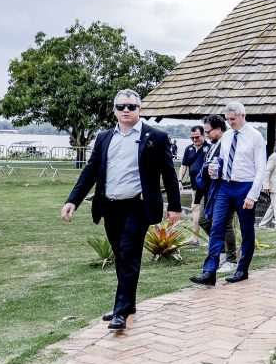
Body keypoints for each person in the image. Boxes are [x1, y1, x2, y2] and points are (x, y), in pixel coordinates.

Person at [62, 89, 181, 330]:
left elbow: (169, 174)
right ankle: (128, 303)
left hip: (138, 206)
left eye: (131, 106)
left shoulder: (155, 137)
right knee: (121, 255)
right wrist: (72, 200)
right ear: (114, 110)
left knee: (128, 253)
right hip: (110, 206)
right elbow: (90, 171)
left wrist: (175, 207)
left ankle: (121, 311)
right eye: (120, 106)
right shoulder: (104, 137)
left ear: (140, 109)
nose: (126, 110)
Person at [190, 101, 267, 286]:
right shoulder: (227, 137)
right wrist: (213, 169)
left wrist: (252, 195)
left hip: (245, 187)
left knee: (247, 230)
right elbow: (223, 159)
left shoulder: (256, 137)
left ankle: (242, 269)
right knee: (216, 228)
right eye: (227, 119)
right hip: (225, 186)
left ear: (243, 116)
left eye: (233, 119)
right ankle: (209, 271)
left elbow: (261, 169)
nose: (230, 122)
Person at [195, 115, 237, 271]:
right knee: (204, 221)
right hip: (210, 190)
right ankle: (222, 250)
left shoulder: (227, 143)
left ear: (219, 129)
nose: (206, 135)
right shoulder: (213, 145)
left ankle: (231, 259)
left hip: (224, 189)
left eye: (208, 132)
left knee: (225, 223)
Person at [178, 125, 209, 239]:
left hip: (207, 185)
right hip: (194, 185)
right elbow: (183, 166)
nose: (195, 140)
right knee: (195, 208)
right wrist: (180, 180)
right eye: (192, 138)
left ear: (204, 135)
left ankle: (208, 237)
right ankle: (195, 237)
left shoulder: (210, 148)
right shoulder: (189, 149)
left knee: (202, 209)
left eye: (197, 137)